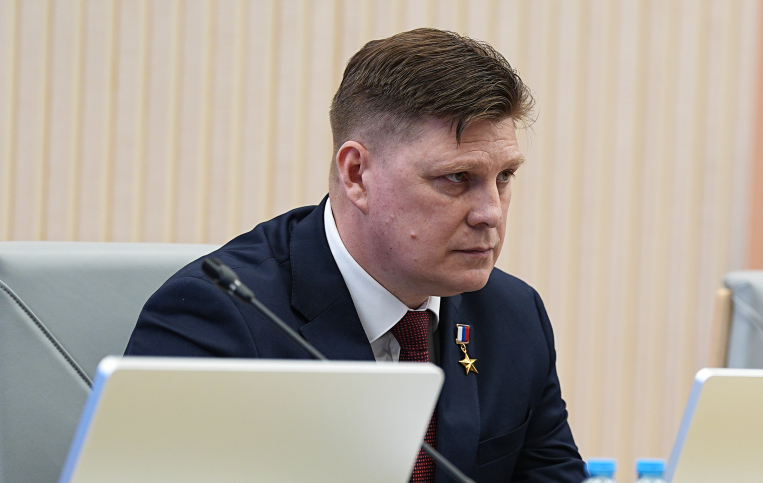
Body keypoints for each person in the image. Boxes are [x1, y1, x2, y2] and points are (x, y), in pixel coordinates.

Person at [125, 28, 587, 482]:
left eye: (504, 177)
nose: (490, 213)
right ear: (357, 174)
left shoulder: (513, 315)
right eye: (457, 178)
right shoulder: (217, 317)